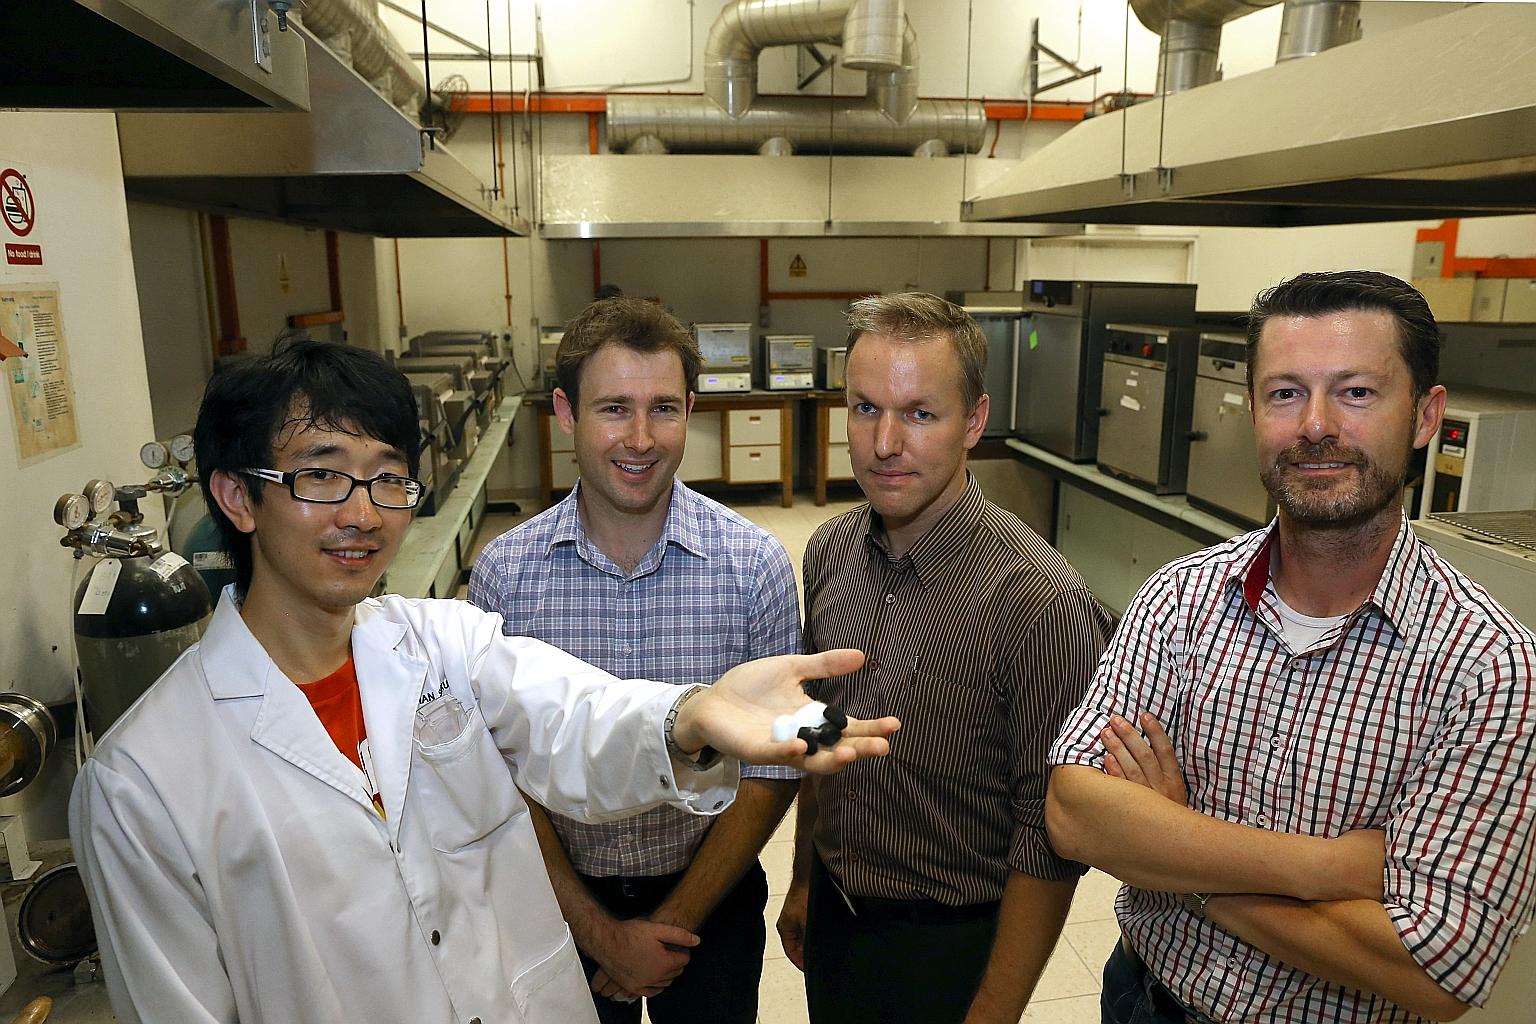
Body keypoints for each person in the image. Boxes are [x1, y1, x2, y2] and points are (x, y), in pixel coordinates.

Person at [68, 340, 897, 1024]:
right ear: (237, 498)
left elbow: (575, 714)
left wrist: (688, 713)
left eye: (386, 477)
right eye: (321, 476)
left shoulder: (443, 644)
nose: (362, 513)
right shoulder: (142, 786)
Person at [1046, 270, 1536, 1023]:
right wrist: (1330, 868)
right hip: (1143, 1001)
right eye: (1284, 392)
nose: (1314, 424)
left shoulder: (1492, 669)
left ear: (1424, 414)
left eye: (1356, 392)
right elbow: (1075, 811)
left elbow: (1436, 972)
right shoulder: (1181, 598)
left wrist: (1183, 854)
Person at [776, 293, 1112, 1024]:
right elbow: (821, 735)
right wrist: (804, 877)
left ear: (975, 422)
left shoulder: (1037, 600)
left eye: (920, 413)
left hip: (952, 950)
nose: (885, 442)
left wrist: (993, 1010)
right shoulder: (830, 552)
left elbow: (1048, 830)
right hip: (836, 917)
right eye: (865, 409)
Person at [469, 297, 801, 1023]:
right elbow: (498, 773)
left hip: (711, 897)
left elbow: (774, 768)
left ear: (691, 410)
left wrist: (674, 921)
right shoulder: (506, 575)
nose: (641, 439)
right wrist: (600, 933)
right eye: (614, 408)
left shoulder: (755, 567)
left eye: (663, 409)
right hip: (558, 902)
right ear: (565, 412)